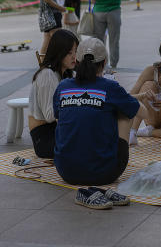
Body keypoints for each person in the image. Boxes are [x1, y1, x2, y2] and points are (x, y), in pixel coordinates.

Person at [53, 37, 147, 208]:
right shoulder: (110, 87)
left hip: (65, 170)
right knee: (125, 113)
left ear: (77, 61)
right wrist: (126, 99)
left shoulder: (63, 86)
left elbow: (59, 119)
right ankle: (127, 140)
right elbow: (143, 112)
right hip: (105, 173)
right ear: (104, 63)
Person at [28, 29, 78, 158]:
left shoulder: (65, 72)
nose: (74, 57)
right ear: (59, 52)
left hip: (55, 130)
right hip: (44, 138)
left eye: (76, 51)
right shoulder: (47, 75)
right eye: (69, 52)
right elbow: (50, 115)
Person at [91, 0, 129, 73]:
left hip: (99, 12)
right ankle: (113, 65)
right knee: (114, 40)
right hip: (114, 12)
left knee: (99, 40)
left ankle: (100, 64)